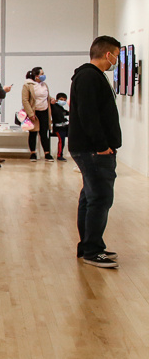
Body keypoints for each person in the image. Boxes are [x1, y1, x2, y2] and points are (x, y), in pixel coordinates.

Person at [69, 36, 122, 268]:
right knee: (100, 198)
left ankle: (89, 246)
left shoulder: (90, 76)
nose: (116, 61)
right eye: (116, 57)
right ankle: (92, 250)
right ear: (107, 54)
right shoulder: (89, 76)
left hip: (91, 149)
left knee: (90, 197)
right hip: (93, 151)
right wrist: (101, 146)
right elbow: (88, 115)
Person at [21, 67, 54, 161]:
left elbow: (45, 96)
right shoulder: (28, 85)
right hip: (34, 112)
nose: (44, 75)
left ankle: (47, 153)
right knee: (33, 133)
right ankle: (33, 153)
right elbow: (25, 100)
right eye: (42, 73)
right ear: (36, 76)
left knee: (44, 133)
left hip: (44, 111)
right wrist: (30, 113)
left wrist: (51, 99)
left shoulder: (44, 85)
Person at [52, 92, 69, 161]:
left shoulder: (61, 108)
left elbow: (66, 112)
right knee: (61, 141)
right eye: (61, 99)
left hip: (64, 127)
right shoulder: (54, 106)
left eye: (64, 100)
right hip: (58, 128)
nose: (63, 101)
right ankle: (59, 155)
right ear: (57, 100)